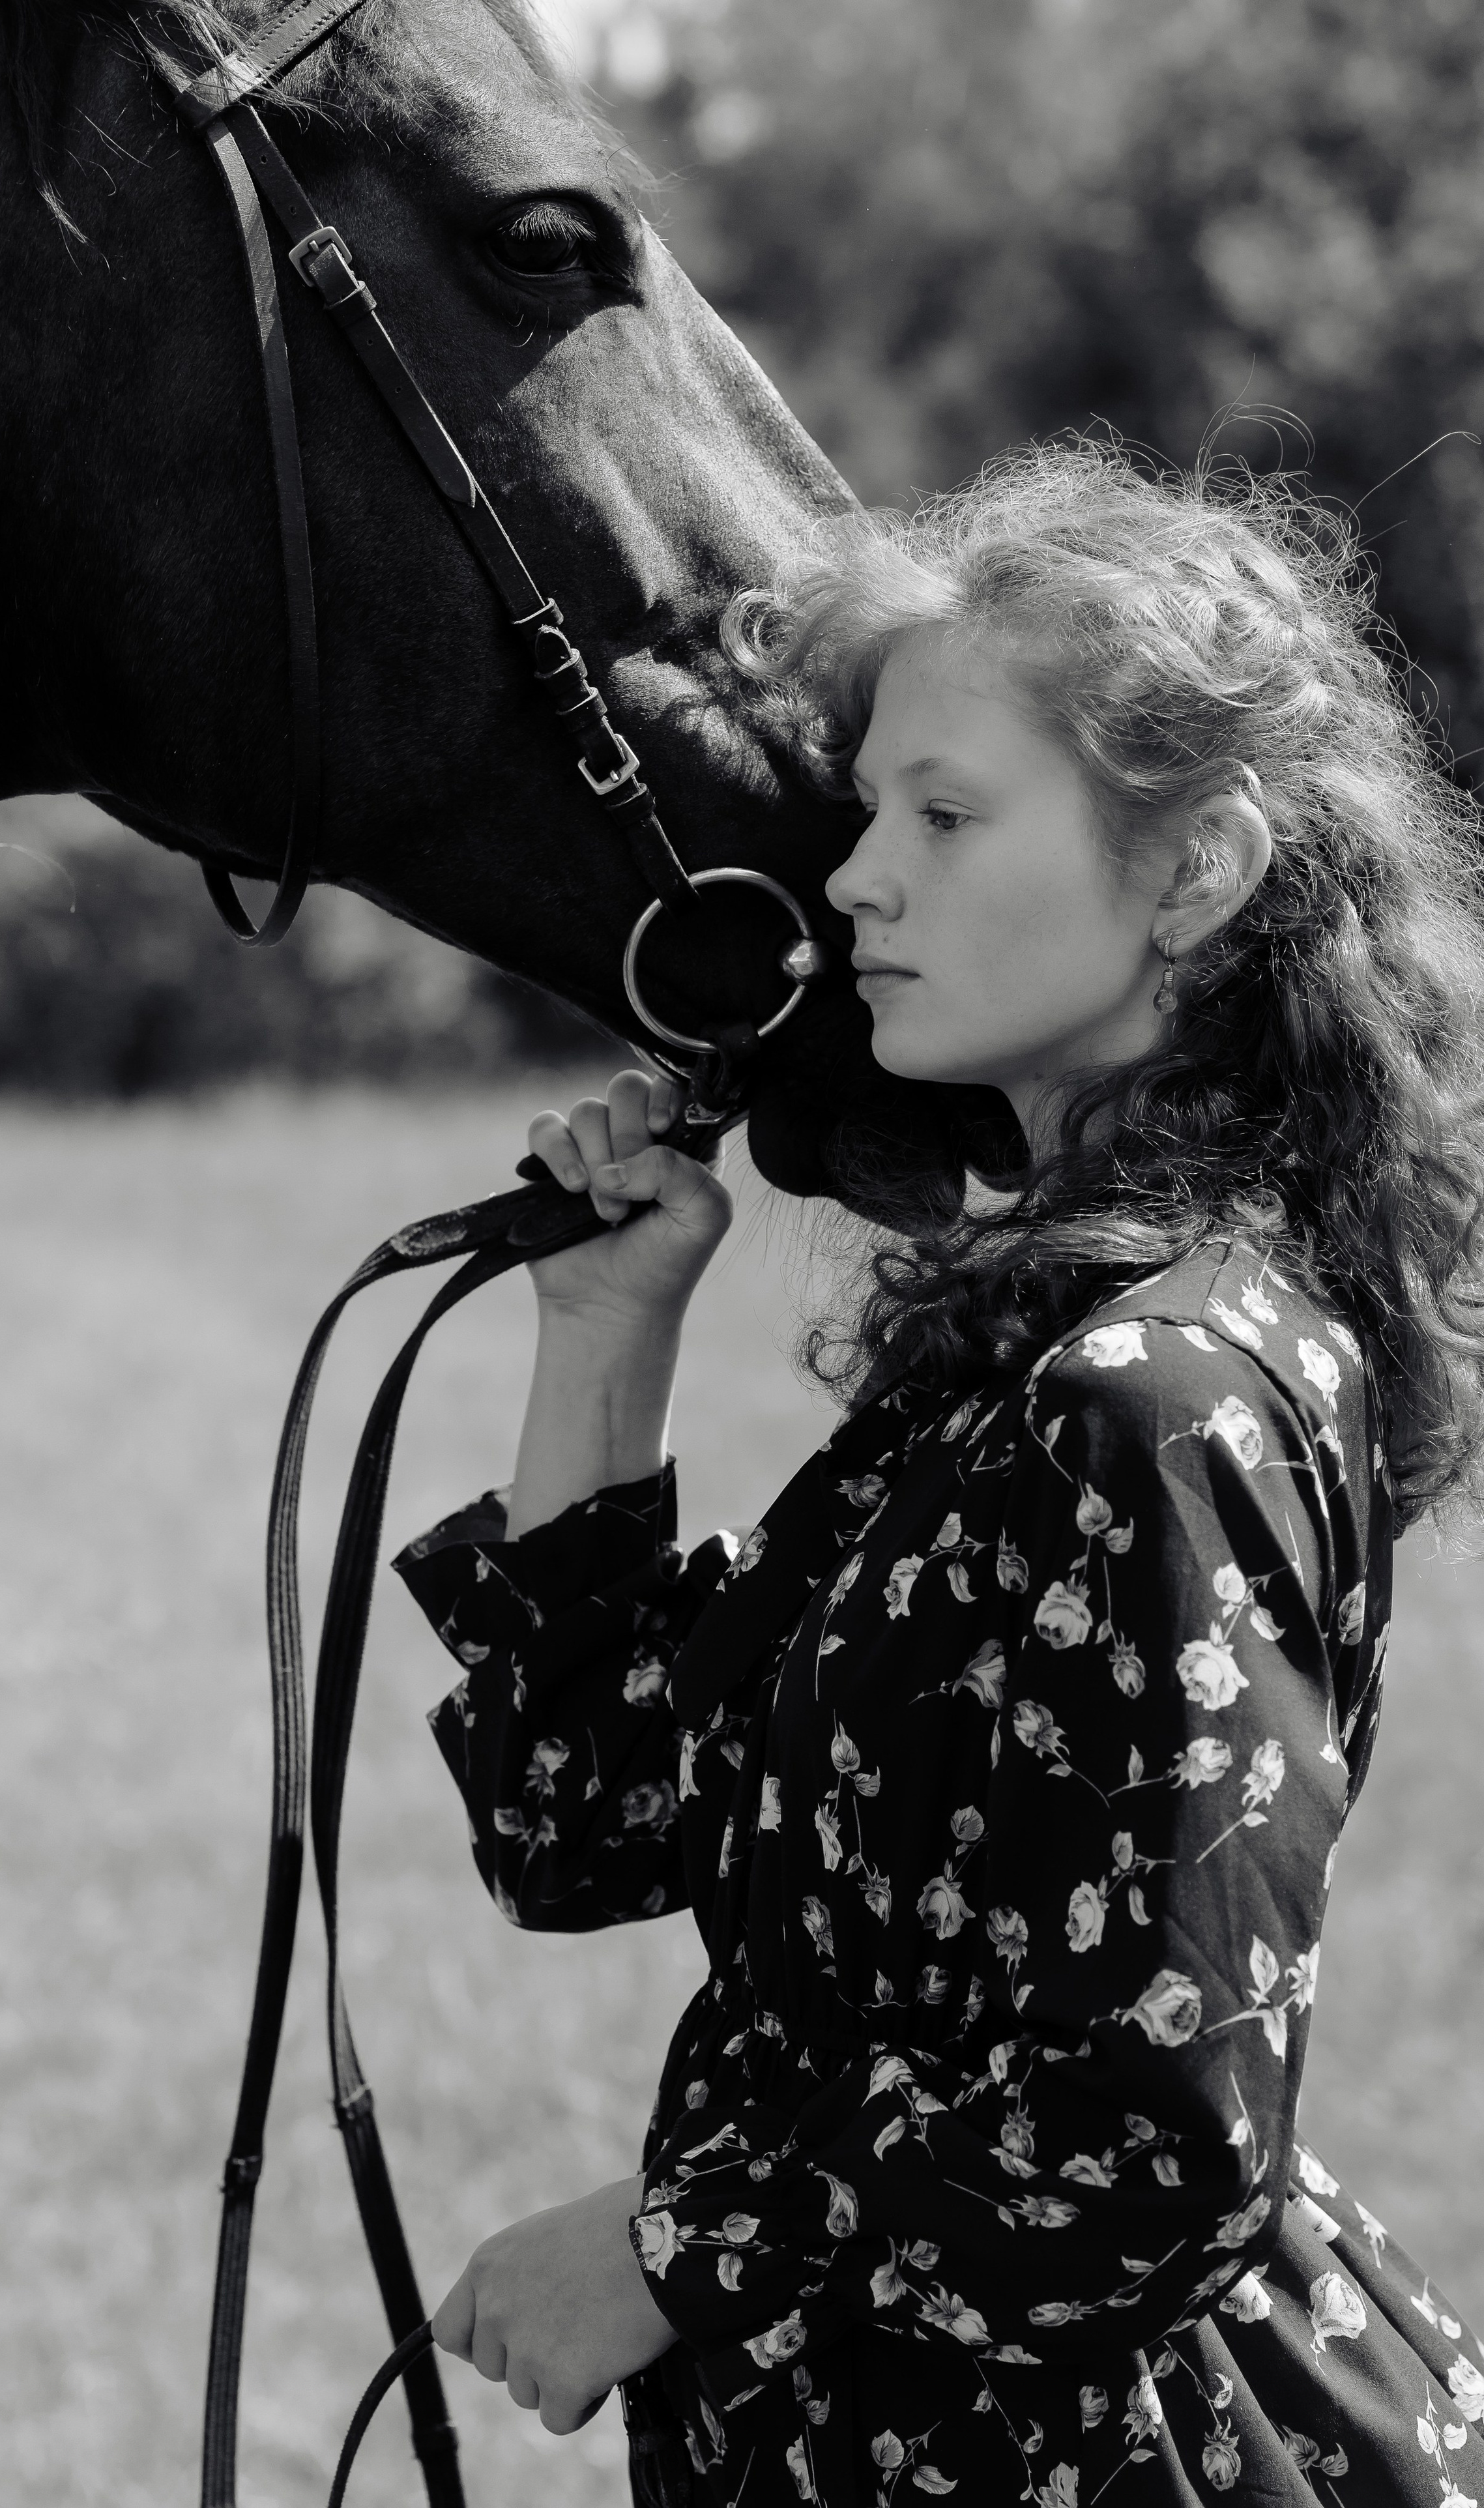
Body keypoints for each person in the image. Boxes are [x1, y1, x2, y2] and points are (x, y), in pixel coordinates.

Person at [392, 443, 1484, 2505]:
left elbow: (1159, 2149)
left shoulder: (1160, 1403)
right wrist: (608, 1339)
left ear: (1201, 870)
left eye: (946, 814)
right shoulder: (1023, 1361)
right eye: (873, 808)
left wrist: (674, 2251)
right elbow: (584, 1816)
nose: (858, 877)